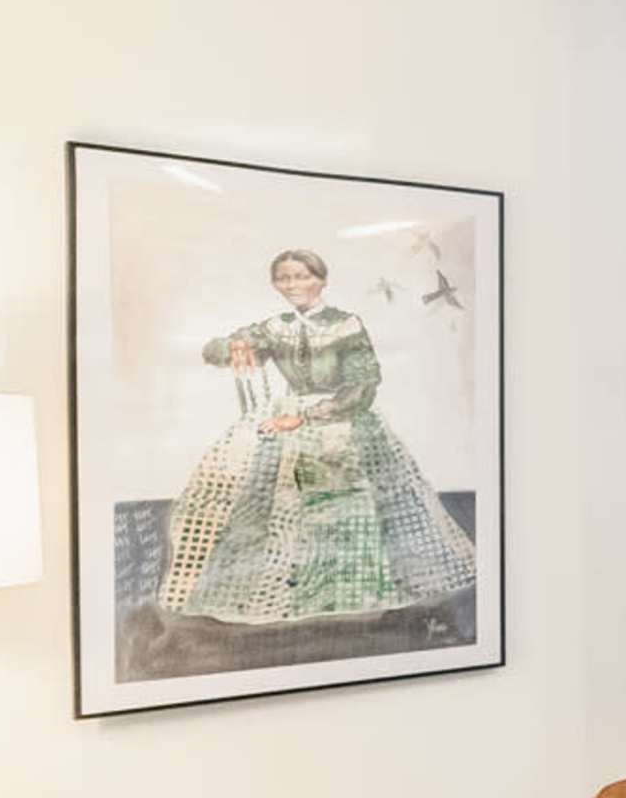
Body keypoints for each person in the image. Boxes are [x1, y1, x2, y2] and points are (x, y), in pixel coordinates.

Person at [158, 247, 478, 623]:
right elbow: (213, 351)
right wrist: (232, 346)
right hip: (287, 418)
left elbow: (363, 385)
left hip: (343, 419)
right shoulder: (274, 326)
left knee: (347, 507)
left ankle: (350, 594)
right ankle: (279, 592)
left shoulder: (346, 324)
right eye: (284, 278)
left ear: (321, 281)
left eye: (302, 276)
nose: (293, 284)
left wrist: (308, 416)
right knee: (257, 501)